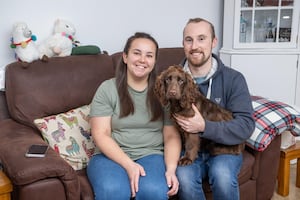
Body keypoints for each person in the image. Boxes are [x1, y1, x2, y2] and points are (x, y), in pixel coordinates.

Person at [87, 32, 181, 200]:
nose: (142, 60)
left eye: (149, 55)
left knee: (155, 191)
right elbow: (101, 134)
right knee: (113, 191)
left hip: (151, 154)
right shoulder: (107, 89)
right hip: (109, 156)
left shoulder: (165, 93)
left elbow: (171, 135)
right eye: (137, 53)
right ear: (125, 56)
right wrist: (129, 165)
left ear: (154, 62)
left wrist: (172, 169)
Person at [174, 18, 255, 200]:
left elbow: (246, 125)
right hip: (188, 148)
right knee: (184, 178)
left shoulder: (234, 79)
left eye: (201, 38)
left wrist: (204, 127)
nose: (195, 46)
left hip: (225, 148)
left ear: (214, 42)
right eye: (189, 40)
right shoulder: (172, 80)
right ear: (183, 44)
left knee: (223, 177)